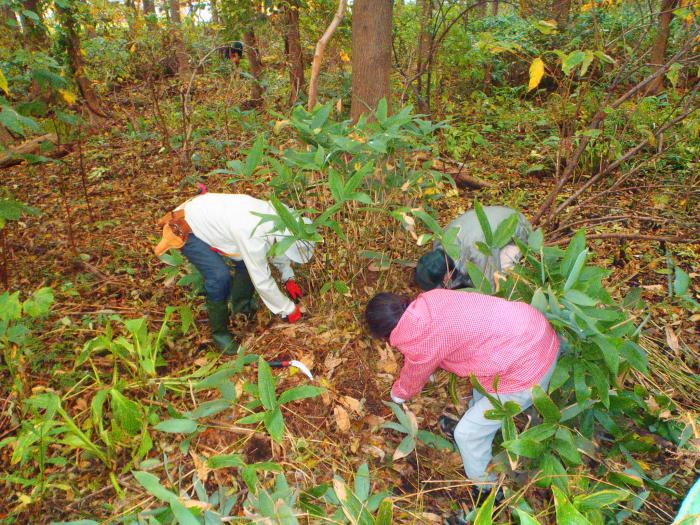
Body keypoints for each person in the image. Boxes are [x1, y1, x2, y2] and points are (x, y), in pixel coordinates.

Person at [365, 289, 559, 522]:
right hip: (532, 330)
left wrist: (398, 395)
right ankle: (483, 436)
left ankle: (486, 492)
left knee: (466, 433)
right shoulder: (431, 301)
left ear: (387, 333)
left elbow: (414, 375)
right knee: (481, 391)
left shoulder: (418, 338)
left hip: (528, 371)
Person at [154, 192, 314, 354]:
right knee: (219, 277)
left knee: (246, 263)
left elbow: (278, 244)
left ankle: (242, 309)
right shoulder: (253, 232)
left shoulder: (283, 216)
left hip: (214, 219)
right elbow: (262, 280)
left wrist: (288, 276)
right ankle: (220, 334)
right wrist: (288, 310)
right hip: (186, 227)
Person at [415, 206, 531, 291]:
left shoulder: (477, 252)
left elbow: (489, 286)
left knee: (501, 272)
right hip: (497, 215)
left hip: (517, 228)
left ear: (447, 276)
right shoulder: (441, 238)